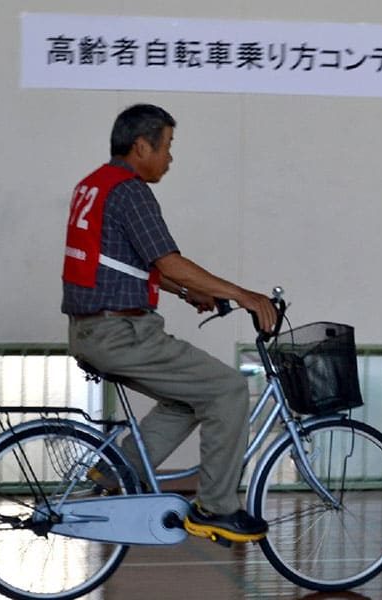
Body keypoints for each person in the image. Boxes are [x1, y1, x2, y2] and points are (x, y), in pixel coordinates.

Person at [62, 104, 278, 544]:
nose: (170, 158)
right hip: (121, 333)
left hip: (90, 330)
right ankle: (216, 508)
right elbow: (169, 261)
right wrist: (244, 295)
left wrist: (188, 292)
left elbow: (120, 265)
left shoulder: (94, 185)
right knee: (228, 389)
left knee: (189, 398)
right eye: (168, 147)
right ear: (142, 146)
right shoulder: (131, 191)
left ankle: (115, 471)